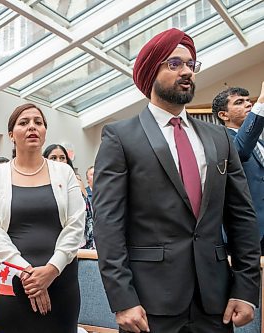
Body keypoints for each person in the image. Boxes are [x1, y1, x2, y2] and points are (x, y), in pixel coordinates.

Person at [93, 28, 260, 333]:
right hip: (148, 306)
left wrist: (246, 290)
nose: (187, 71)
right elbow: (108, 224)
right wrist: (122, 299)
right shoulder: (120, 137)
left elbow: (242, 217)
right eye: (174, 64)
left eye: (191, 65)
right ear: (150, 70)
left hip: (215, 302)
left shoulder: (219, 138)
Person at [0, 103, 85, 333]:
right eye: (24, 122)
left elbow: (76, 226)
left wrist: (51, 270)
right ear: (11, 135)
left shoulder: (64, 173)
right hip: (13, 283)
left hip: (61, 280)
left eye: (38, 122)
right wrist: (29, 275)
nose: (32, 127)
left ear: (45, 131)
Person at [212, 83, 264, 253]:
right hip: (247, 234)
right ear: (223, 115)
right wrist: (261, 103)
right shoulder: (220, 142)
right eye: (239, 102)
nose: (248, 104)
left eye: (249, 101)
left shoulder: (261, 143)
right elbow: (239, 152)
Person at [43, 144, 94, 249]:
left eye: (62, 158)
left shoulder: (76, 181)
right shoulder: (40, 183)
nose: (58, 161)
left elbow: (87, 215)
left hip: (76, 243)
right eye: (53, 158)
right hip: (49, 243)